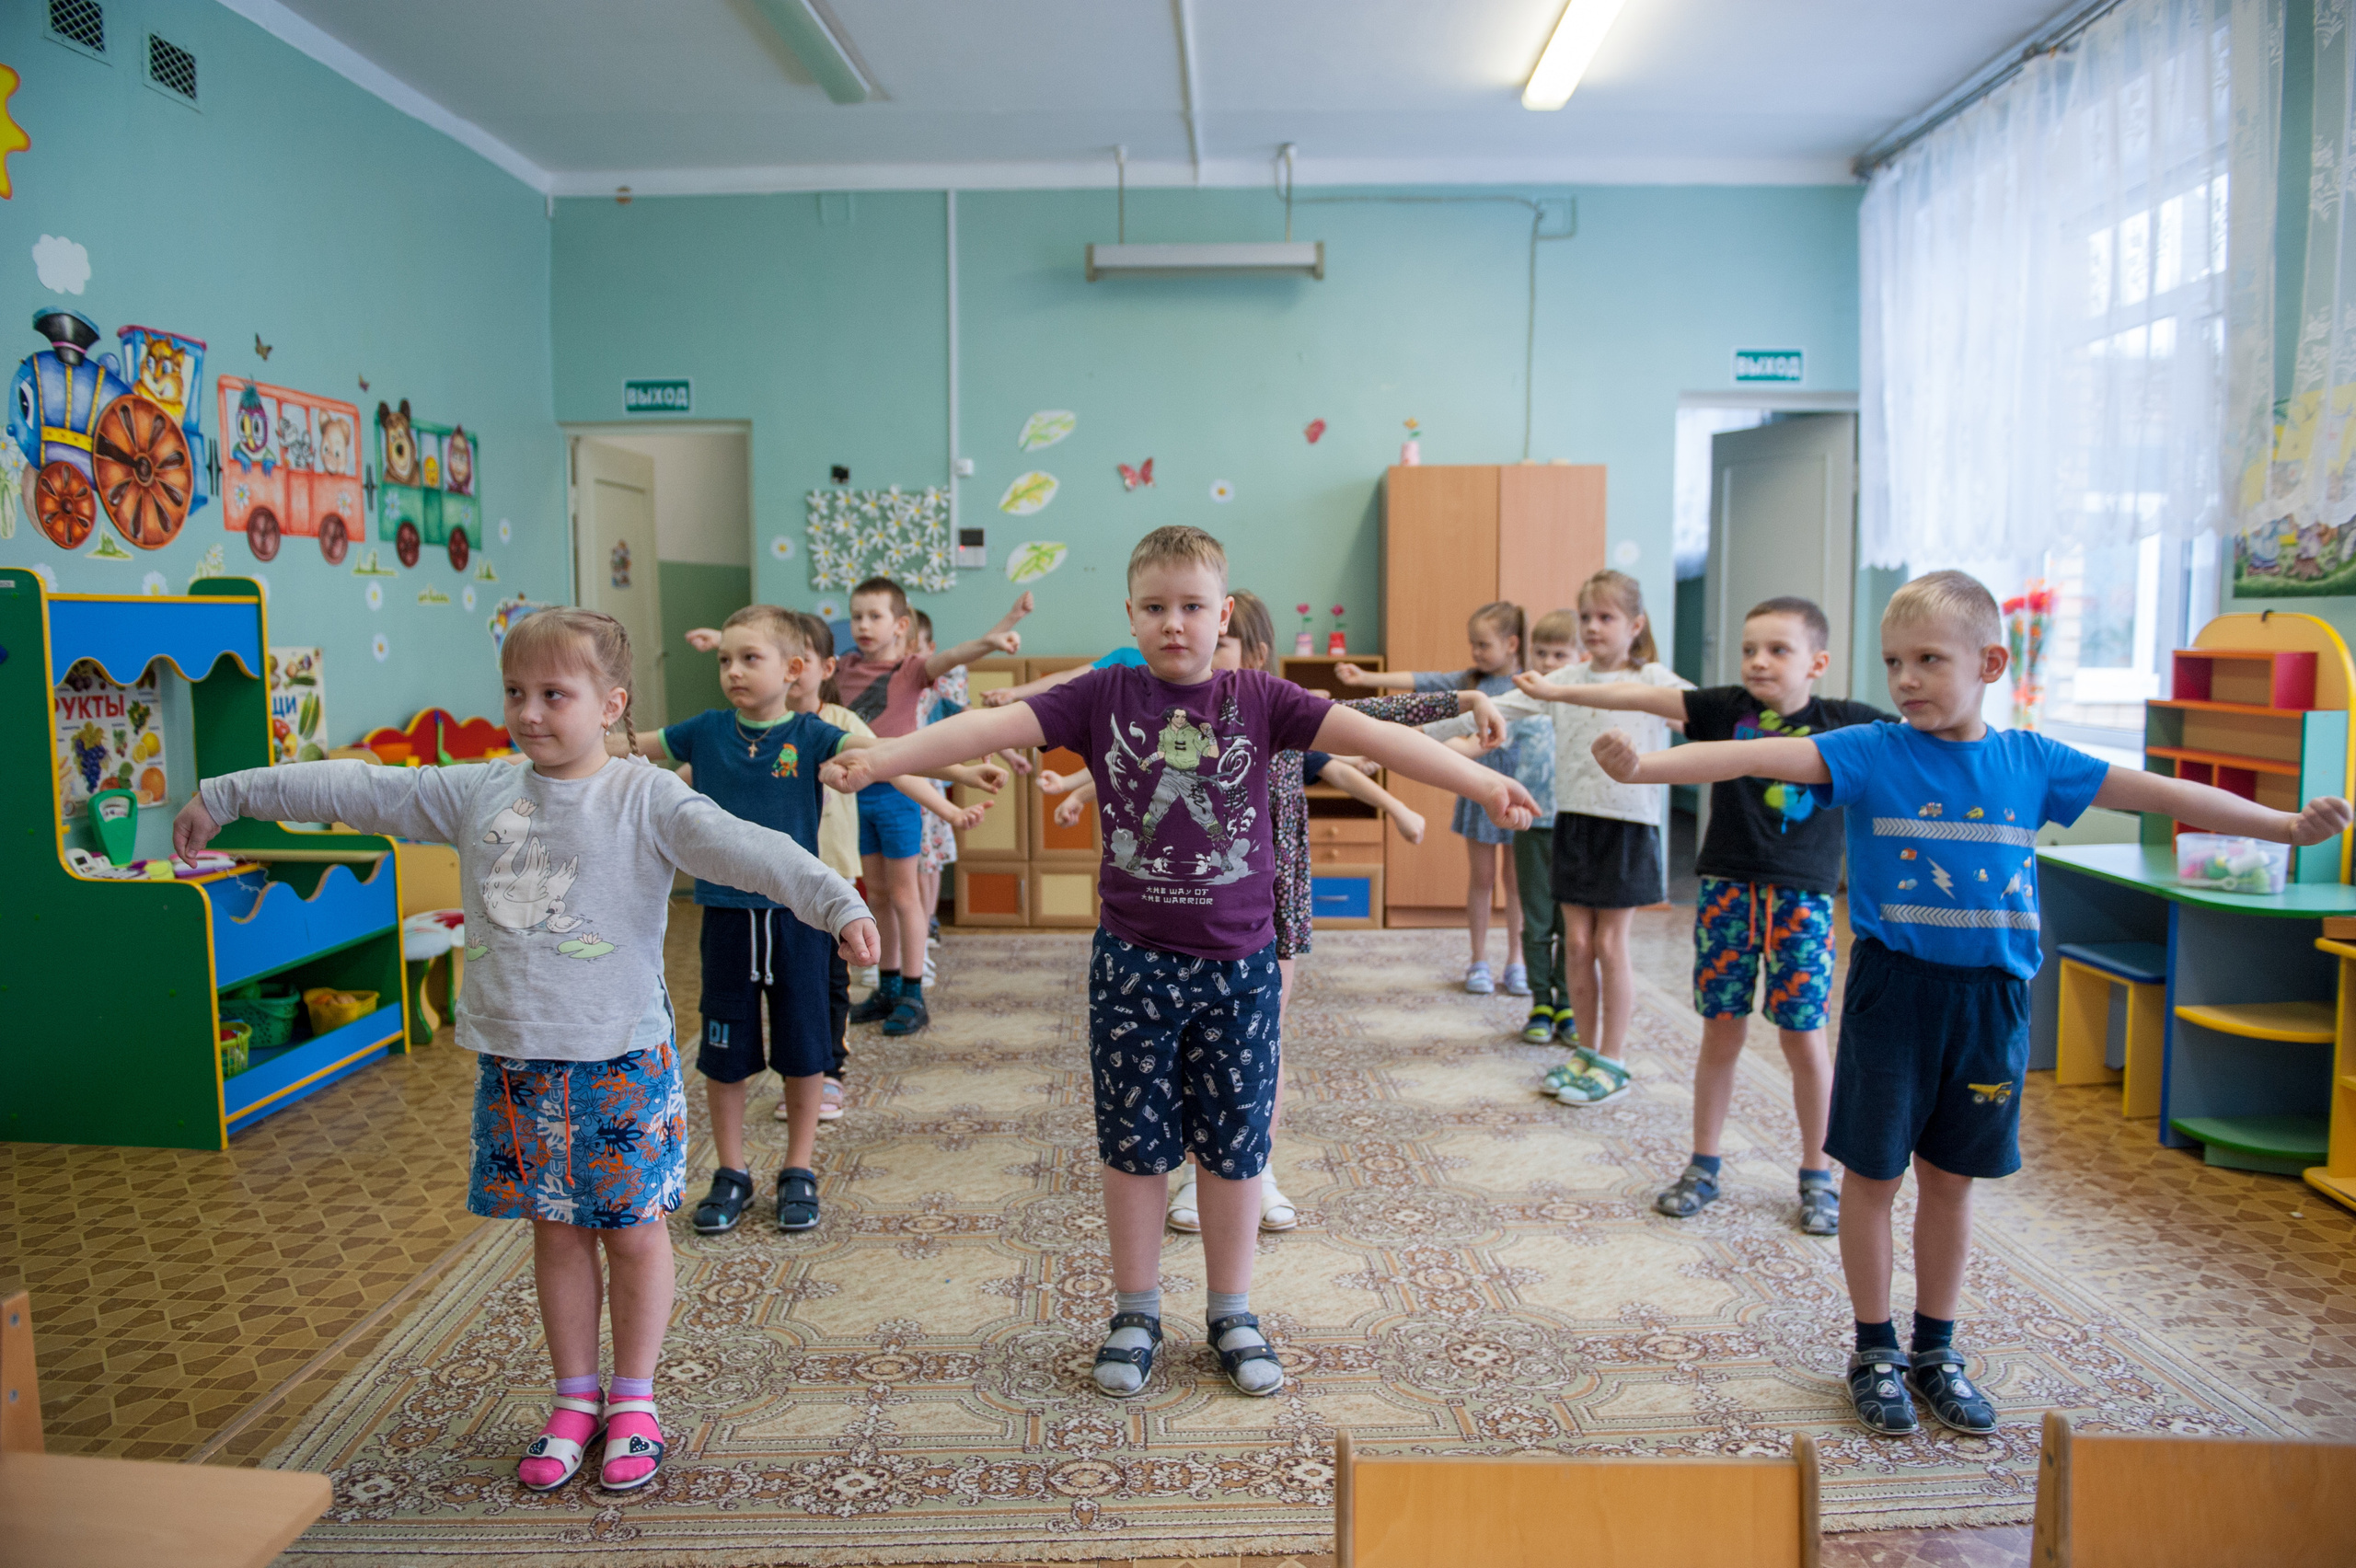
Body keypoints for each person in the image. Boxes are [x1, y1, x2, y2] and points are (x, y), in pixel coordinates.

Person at [1590, 570, 2352, 1436]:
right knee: (1872, 1177)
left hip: (1990, 1005)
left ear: (1990, 661)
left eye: (1928, 659)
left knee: (1952, 1183)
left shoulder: (2033, 762)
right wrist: (1646, 762)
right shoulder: (1872, 749)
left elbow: (2162, 792)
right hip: (1894, 996)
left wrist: (2282, 826)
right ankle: (1874, 1348)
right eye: (1893, 662)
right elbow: (1753, 754)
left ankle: (1936, 1349)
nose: (1906, 678)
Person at [823, 525, 1539, 1401]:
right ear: (1131, 614)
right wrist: (886, 757)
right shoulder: (1103, 695)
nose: (1175, 623)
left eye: (1193, 607)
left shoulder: (1262, 699)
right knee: (1134, 1151)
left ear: (1222, 613)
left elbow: (1375, 738)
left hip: (1241, 971)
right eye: (1155, 608)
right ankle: (1135, 1309)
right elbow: (987, 723)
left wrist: (1482, 785)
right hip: (1133, 969)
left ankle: (1233, 1309)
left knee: (1237, 1150)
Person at [172, 608, 880, 1493]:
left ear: (613, 703)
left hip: (620, 1058)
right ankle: (574, 1397)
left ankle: (634, 1399)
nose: (530, 712)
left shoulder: (645, 795)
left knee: (631, 1232)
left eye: (555, 693)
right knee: (554, 1233)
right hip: (519, 1063)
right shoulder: (478, 790)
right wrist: (229, 793)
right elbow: (355, 789)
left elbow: (753, 851)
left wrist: (837, 903)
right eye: (516, 692)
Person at [1034, 586, 1507, 1235]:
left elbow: (1385, 715)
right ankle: (1196, 1180)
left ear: (1252, 649)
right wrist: (1075, 788)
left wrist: (1463, 702)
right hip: (1214, 908)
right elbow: (1144, 773)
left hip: (1279, 909)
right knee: (1191, 1053)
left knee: (1260, 1049)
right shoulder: (1192, 718)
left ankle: (1256, 1170)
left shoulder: (1283, 714)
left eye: (1221, 640)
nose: (1200, 647)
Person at [1509, 595, 1884, 1235]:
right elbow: (1639, 696)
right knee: (1721, 1031)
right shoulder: (1724, 709)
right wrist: (1559, 690)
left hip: (1803, 902)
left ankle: (1817, 1175)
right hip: (1728, 895)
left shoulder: (1848, 725)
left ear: (1817, 662)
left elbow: (1921, 743)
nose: (1758, 662)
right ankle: (1703, 1164)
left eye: (1777, 650)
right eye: (1748, 650)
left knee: (1803, 1040)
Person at [625, 607, 989, 1236]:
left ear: (793, 670)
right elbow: (628, 745)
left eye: (749, 658)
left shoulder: (814, 734)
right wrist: (551, 732)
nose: (733, 671)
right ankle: (731, 1172)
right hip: (727, 921)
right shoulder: (704, 732)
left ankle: (798, 1169)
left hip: (800, 919)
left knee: (804, 1050)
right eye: (724, 660)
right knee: (725, 1055)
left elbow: (893, 754)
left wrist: (959, 773)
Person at [1430, 571, 1688, 1105]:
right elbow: (1489, 717)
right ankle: (1587, 1054)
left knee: (1610, 945)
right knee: (1576, 943)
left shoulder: (1657, 679)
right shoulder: (1562, 680)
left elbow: (1707, 713)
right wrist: (1392, 744)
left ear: (1635, 625)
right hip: (1574, 825)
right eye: (1587, 616)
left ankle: (1613, 1059)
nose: (1593, 627)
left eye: (1606, 617)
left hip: (1627, 830)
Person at [835, 579, 1032, 1034]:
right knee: (877, 894)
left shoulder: (912, 669)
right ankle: (885, 986)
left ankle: (912, 991)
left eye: (875, 616)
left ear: (901, 625)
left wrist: (999, 632)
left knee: (905, 896)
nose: (863, 625)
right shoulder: (842, 668)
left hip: (903, 795)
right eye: (856, 616)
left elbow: (955, 656)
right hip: (853, 796)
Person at [1336, 601, 1552, 997]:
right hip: (1479, 796)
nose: (1476, 653)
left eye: (1484, 644)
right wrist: (1366, 676)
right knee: (1483, 879)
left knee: (1517, 884)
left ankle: (1517, 960)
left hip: (1523, 801)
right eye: (1473, 644)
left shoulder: (1531, 687)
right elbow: (1422, 682)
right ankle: (1479, 960)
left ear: (1512, 643)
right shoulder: (1471, 681)